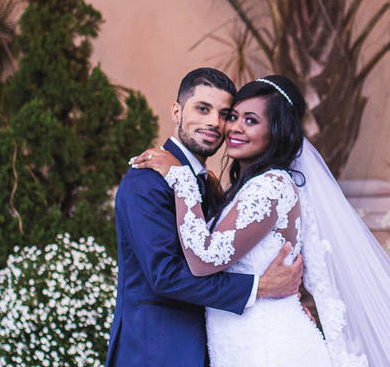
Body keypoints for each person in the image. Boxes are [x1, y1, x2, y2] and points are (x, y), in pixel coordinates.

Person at [131, 75, 390, 367]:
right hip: (244, 345)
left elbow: (204, 259)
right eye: (234, 116)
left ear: (276, 132)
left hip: (269, 348)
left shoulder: (271, 187)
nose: (233, 127)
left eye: (251, 120)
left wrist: (182, 179)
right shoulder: (249, 188)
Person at [107, 68, 305, 367]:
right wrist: (260, 286)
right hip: (157, 350)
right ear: (177, 111)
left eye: (225, 114)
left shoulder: (208, 185)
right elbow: (165, 276)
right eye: (202, 109)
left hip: (218, 347)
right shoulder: (147, 181)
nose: (214, 122)